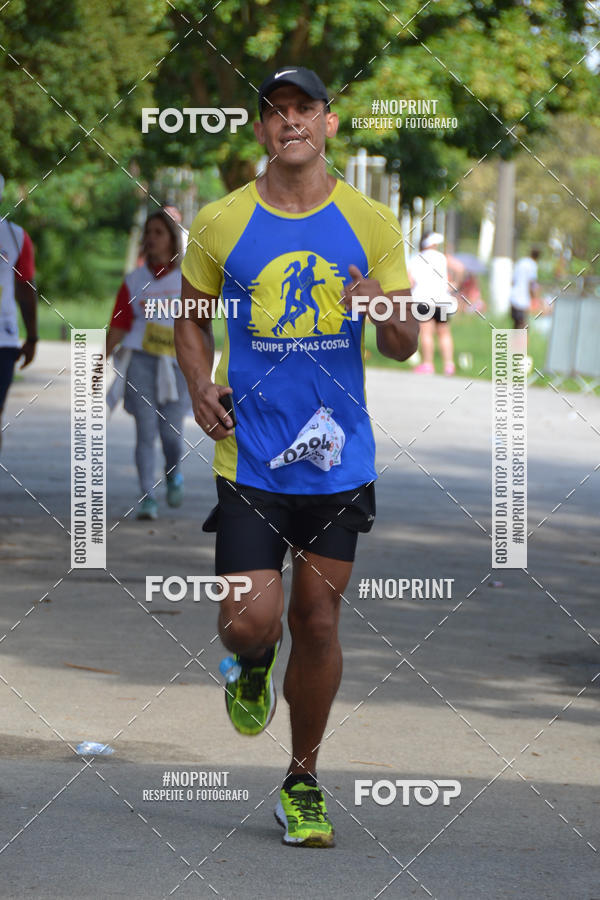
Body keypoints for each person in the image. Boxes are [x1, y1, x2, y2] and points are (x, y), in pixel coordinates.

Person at [176, 66, 418, 848]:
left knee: (318, 622)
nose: (292, 122)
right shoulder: (220, 223)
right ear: (260, 130)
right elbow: (190, 317)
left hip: (337, 461)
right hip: (249, 457)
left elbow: (405, 341)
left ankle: (302, 782)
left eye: (305, 109)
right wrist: (195, 386)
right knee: (252, 623)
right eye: (277, 111)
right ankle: (250, 663)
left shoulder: (371, 222)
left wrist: (380, 307)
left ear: (329, 124)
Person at [106, 208, 189, 520]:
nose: (151, 239)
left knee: (171, 435)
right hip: (140, 361)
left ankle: (173, 473)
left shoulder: (186, 280)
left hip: (177, 365)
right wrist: (100, 361)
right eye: (148, 233)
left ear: (171, 239)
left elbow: (199, 325)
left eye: (159, 233)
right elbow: (118, 325)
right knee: (145, 431)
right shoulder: (133, 280)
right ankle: (147, 496)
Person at [0, 174, 38, 451]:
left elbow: (26, 288)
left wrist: (33, 336)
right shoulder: (15, 235)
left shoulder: (15, 236)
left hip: (3, 339)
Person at [409, 231, 456, 375]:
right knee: (444, 333)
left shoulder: (415, 259)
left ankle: (428, 364)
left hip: (423, 300)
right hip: (441, 300)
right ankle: (449, 365)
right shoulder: (442, 258)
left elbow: (410, 281)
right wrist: (455, 284)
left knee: (426, 333)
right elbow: (459, 268)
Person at [509, 248, 540, 328]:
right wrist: (535, 297)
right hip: (522, 300)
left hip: (513, 297)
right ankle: (520, 340)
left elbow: (512, 281)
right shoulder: (532, 265)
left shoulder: (521, 262)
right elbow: (531, 283)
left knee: (516, 325)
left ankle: (513, 340)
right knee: (523, 326)